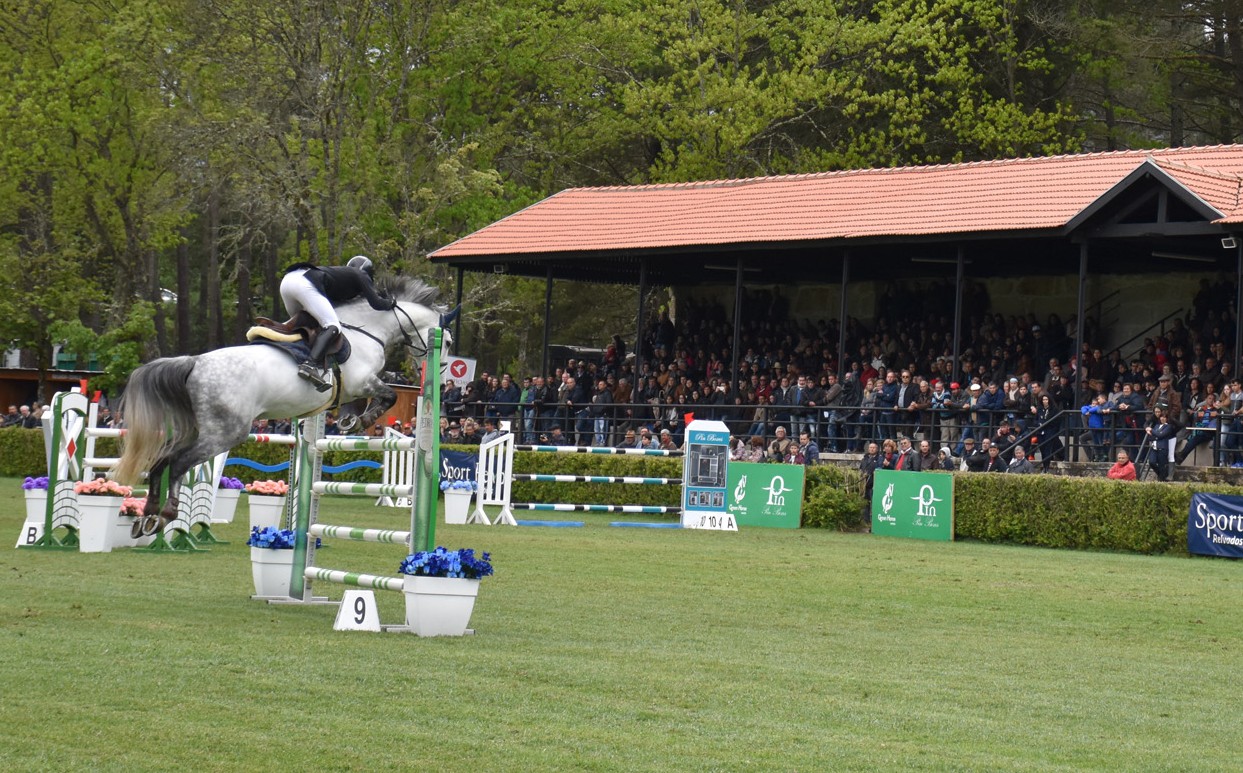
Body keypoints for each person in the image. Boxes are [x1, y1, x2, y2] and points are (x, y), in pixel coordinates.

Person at [279, 255, 396, 391]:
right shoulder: (361, 274)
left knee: (304, 327)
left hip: (287, 282)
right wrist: (391, 302)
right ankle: (309, 365)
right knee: (332, 326)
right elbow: (377, 304)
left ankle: (293, 357)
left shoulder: (341, 277)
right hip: (303, 284)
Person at [1145, 406, 1178, 481]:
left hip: (1163, 446)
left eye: (1164, 417)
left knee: (1164, 462)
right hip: (1155, 446)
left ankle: (1165, 476)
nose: (1162, 418)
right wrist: (1156, 434)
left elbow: (1161, 435)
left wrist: (1152, 431)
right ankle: (1161, 474)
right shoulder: (1156, 426)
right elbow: (1152, 436)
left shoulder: (1169, 426)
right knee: (1152, 462)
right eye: (1161, 417)